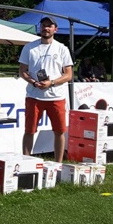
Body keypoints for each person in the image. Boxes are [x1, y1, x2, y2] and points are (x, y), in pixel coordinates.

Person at [18, 16, 74, 163]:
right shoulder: (29, 47)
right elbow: (22, 71)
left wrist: (52, 83)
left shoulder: (62, 49)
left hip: (56, 97)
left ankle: (58, 164)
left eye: (49, 26)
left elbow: (68, 75)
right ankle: (26, 163)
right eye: (43, 25)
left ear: (55, 29)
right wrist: (33, 82)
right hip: (34, 96)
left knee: (59, 131)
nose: (46, 28)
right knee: (29, 131)